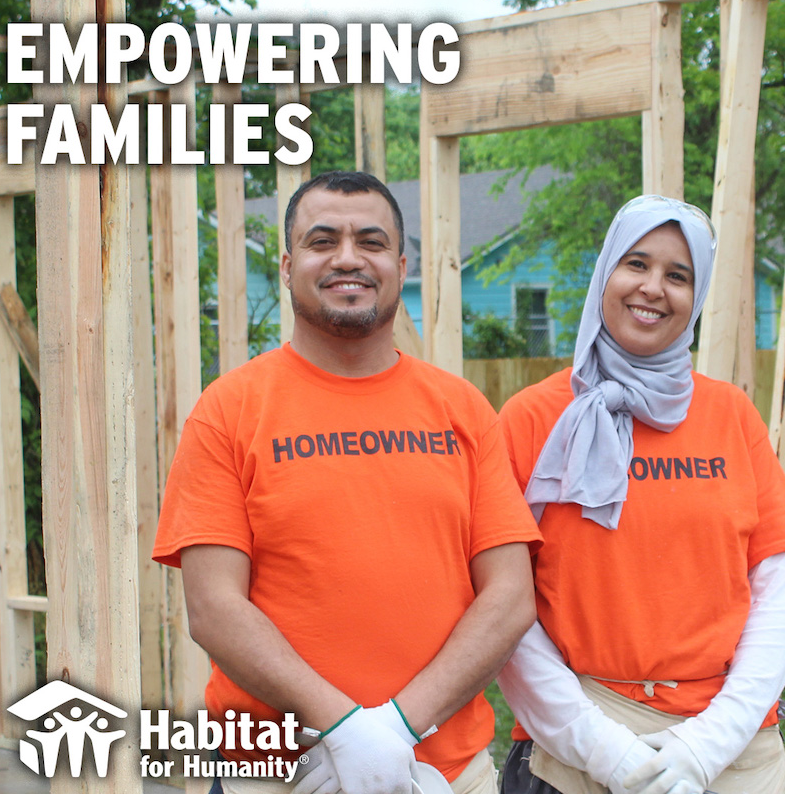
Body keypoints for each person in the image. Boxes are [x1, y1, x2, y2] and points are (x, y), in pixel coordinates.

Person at [153, 170, 542, 794]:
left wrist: (394, 728)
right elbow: (214, 609)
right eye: (322, 240)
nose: (348, 258)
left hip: (441, 773)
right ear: (286, 265)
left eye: (371, 240)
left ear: (401, 263)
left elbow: (510, 596)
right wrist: (340, 727)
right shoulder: (228, 411)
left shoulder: (462, 410)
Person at [496, 194, 785, 794]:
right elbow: (499, 603)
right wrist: (602, 750)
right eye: (636, 264)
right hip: (575, 737)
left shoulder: (731, 414)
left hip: (730, 743)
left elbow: (775, 586)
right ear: (605, 273)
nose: (653, 288)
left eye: (678, 275)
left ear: (696, 296)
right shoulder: (531, 419)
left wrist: (708, 747)